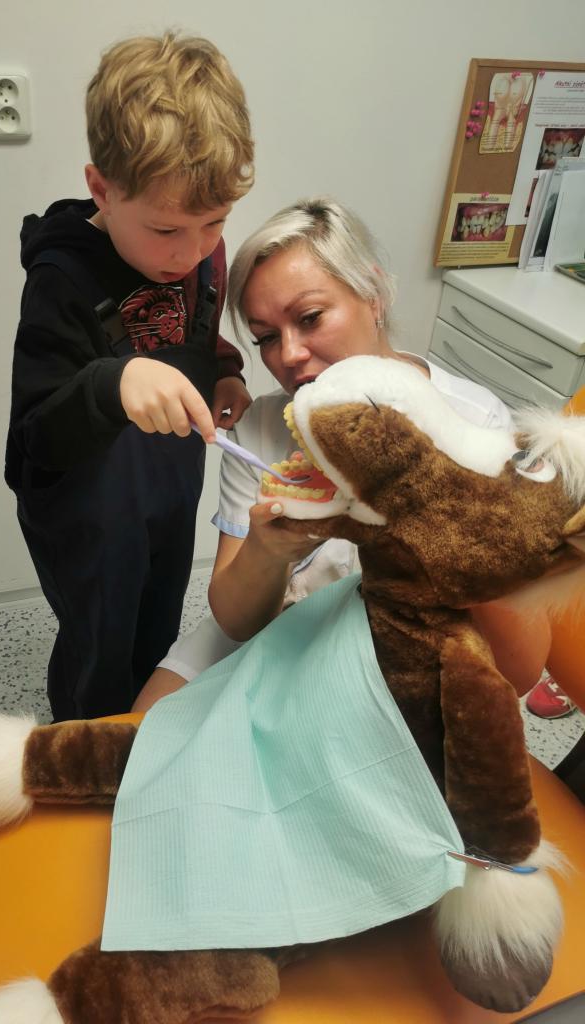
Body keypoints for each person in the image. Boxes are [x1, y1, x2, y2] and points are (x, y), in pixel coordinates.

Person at [134, 196, 528, 711]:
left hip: (398, 661)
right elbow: (235, 622)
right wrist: (268, 551)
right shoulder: (261, 429)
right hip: (272, 631)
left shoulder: (475, 425)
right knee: (140, 733)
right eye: (266, 338)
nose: (289, 354)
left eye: (311, 317)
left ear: (373, 296)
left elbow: (515, 667)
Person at [5, 32, 254, 721]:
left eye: (215, 223)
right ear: (102, 190)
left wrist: (224, 372)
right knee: (99, 640)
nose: (192, 251)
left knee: (158, 614)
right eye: (166, 230)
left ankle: (143, 731)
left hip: (169, 482)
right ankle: (85, 746)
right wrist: (111, 385)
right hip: (88, 505)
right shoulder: (61, 280)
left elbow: (196, 326)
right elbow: (37, 435)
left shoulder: (198, 247)